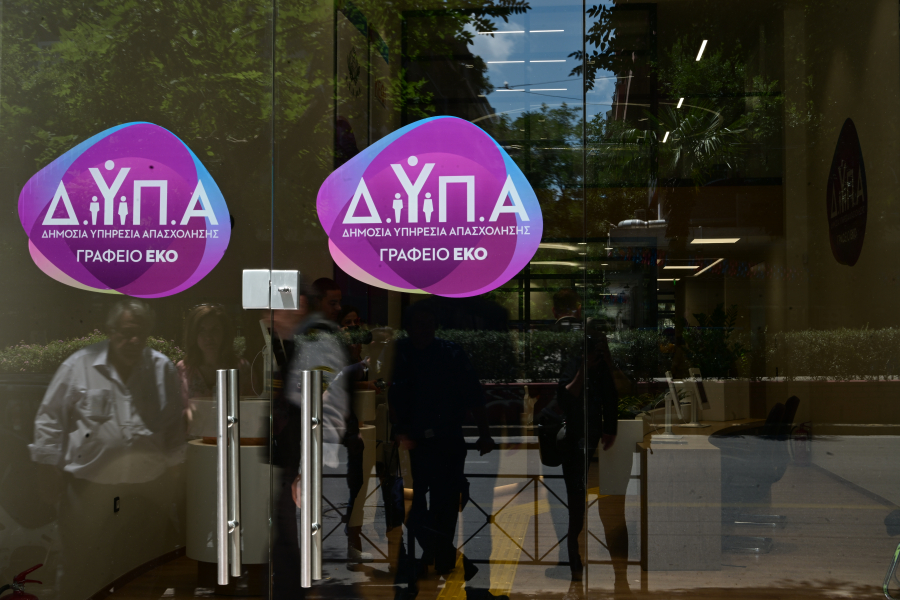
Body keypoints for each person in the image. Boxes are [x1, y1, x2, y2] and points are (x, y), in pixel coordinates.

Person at [29, 300, 184, 600]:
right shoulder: (79, 365)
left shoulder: (161, 368)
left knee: (138, 573)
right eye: (126, 333)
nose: (134, 340)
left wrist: (176, 479)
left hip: (146, 490)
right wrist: (46, 467)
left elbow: (173, 427)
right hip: (88, 490)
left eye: (140, 333)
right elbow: (50, 417)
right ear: (111, 332)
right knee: (81, 570)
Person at [389, 301, 495, 586]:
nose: (425, 329)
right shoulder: (401, 353)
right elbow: (388, 395)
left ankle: (436, 557)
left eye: (429, 324)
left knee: (444, 504)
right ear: (409, 327)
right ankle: (439, 554)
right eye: (420, 324)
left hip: (445, 439)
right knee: (411, 505)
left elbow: (474, 395)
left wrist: (485, 433)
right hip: (414, 442)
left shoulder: (448, 353)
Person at [550, 289, 618, 583]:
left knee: (573, 491)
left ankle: (571, 554)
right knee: (573, 491)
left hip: (576, 427)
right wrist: (609, 425)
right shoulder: (581, 345)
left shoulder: (567, 342)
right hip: (575, 426)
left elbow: (606, 388)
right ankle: (572, 553)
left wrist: (609, 425)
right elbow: (573, 393)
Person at [176, 303, 250, 403]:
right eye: (202, 330)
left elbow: (253, 406)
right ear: (193, 335)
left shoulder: (242, 368)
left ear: (224, 333)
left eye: (214, 329)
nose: (208, 337)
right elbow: (174, 407)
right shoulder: (183, 369)